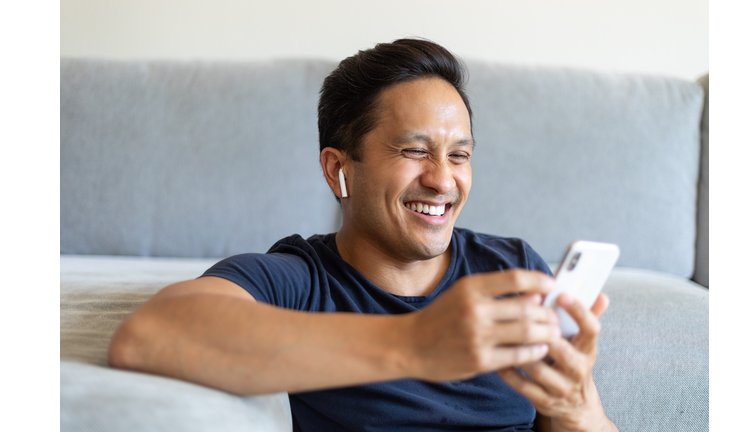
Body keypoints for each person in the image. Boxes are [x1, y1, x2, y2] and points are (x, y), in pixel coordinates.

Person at [109, 38, 618, 432]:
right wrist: (418, 342)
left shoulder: (512, 268)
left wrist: (575, 406)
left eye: (459, 155)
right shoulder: (299, 281)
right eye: (415, 151)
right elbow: (148, 337)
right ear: (338, 171)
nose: (444, 179)